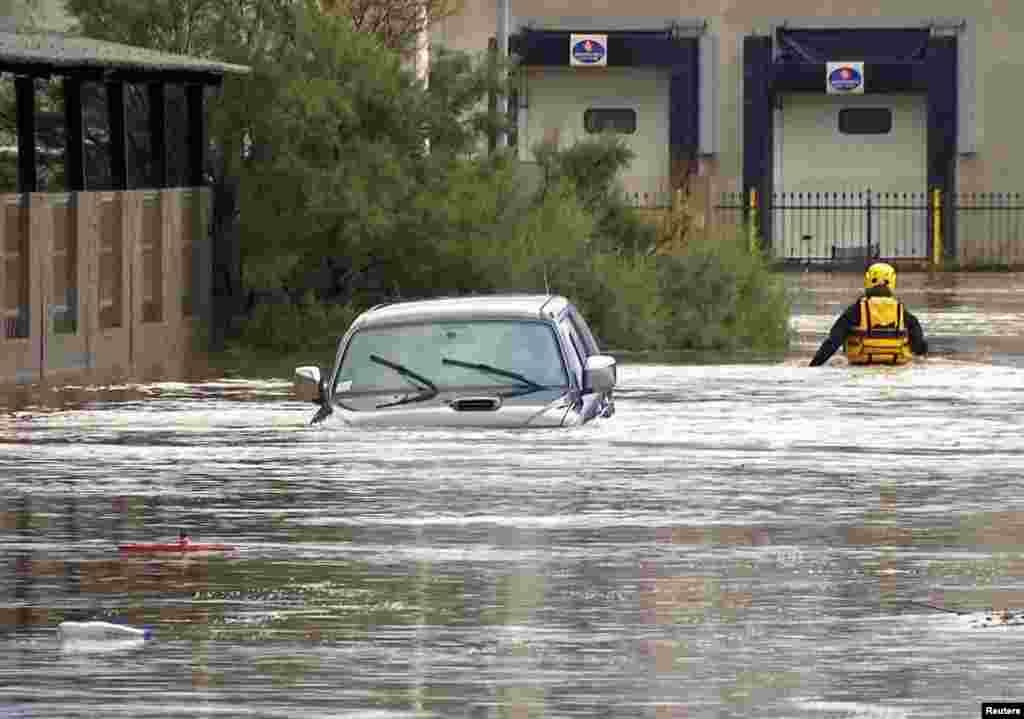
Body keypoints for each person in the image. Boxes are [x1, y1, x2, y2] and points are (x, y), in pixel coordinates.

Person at [809, 262, 928, 367]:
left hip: (861, 364)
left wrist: (813, 364)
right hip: (895, 364)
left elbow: (833, 342)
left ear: (867, 280)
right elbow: (919, 347)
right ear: (892, 282)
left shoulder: (856, 309)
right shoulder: (902, 311)